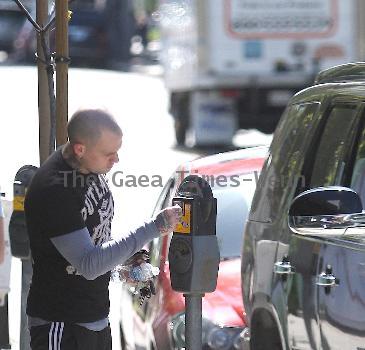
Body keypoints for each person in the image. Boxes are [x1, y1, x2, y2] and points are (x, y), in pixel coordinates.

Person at [24, 109, 182, 350]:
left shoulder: (88, 166)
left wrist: (125, 266)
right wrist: (154, 227)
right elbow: (88, 264)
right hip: (62, 323)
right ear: (80, 149)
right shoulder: (54, 189)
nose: (116, 160)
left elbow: (96, 234)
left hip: (94, 317)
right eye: (109, 154)